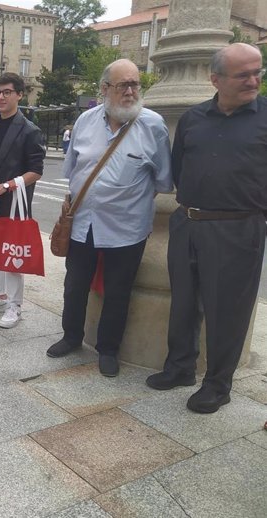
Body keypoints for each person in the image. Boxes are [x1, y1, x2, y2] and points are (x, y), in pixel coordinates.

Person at [146, 43, 267, 413]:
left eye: (257, 72)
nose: (253, 80)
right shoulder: (194, 118)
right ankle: (180, 367)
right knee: (183, 302)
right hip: (188, 222)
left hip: (238, 228)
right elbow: (179, 169)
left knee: (227, 311)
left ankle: (217, 384)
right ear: (215, 79)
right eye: (243, 74)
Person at [45, 59, 173, 377]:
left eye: (134, 84)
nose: (130, 91)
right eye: (122, 85)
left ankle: (108, 349)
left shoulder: (153, 125)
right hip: (83, 224)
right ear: (104, 89)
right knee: (75, 285)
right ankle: (72, 336)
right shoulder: (85, 121)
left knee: (118, 291)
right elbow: (72, 170)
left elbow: (163, 180)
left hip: (127, 228)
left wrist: (127, 201)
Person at [0, 72, 45, 328]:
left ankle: (15, 305)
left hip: (12, 203)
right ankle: (0, 295)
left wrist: (6, 186)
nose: (1, 97)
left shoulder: (29, 130)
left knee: (12, 254)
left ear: (19, 95)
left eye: (6, 92)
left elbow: (36, 170)